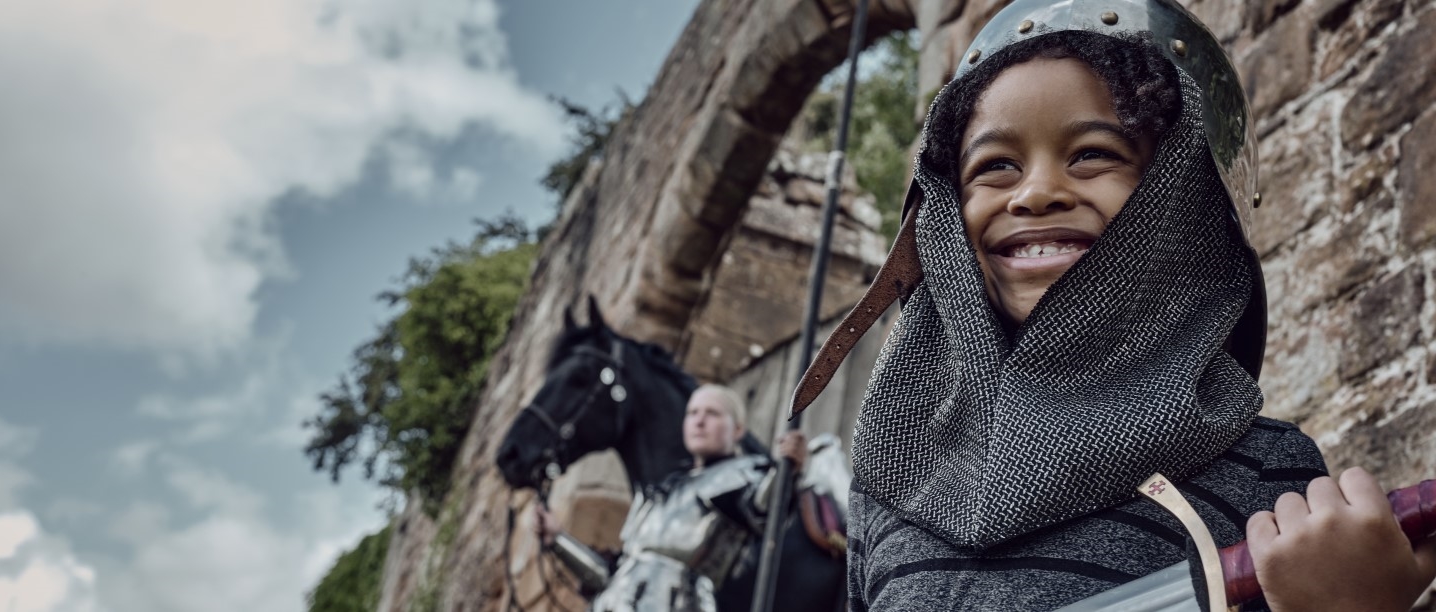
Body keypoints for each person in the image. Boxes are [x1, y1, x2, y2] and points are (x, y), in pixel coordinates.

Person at [827, 1, 1436, 610]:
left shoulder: (1268, 473)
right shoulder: (893, 481)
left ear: (1178, 196)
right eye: (996, 167)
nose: (1035, 193)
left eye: (1093, 154)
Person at [533, 383, 808, 612]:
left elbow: (762, 509)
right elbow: (611, 575)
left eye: (712, 413)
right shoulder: (663, 491)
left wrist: (785, 470)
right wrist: (557, 538)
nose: (699, 420)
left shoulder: (744, 475)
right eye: (693, 413)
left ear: (737, 430)